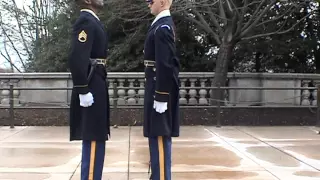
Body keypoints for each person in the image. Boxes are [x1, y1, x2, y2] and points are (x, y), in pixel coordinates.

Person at [68, 0, 110, 179]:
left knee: (98, 138)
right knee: (93, 138)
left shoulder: (93, 20)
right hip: (91, 84)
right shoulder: (86, 21)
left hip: (96, 82)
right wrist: (83, 90)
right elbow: (77, 58)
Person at [143, 0, 180, 179]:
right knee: (156, 137)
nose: (148, 3)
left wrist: (161, 96)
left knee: (159, 138)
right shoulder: (159, 25)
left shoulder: (162, 27)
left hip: (159, 87)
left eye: (151, 0)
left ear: (163, 2)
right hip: (157, 85)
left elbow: (165, 64)